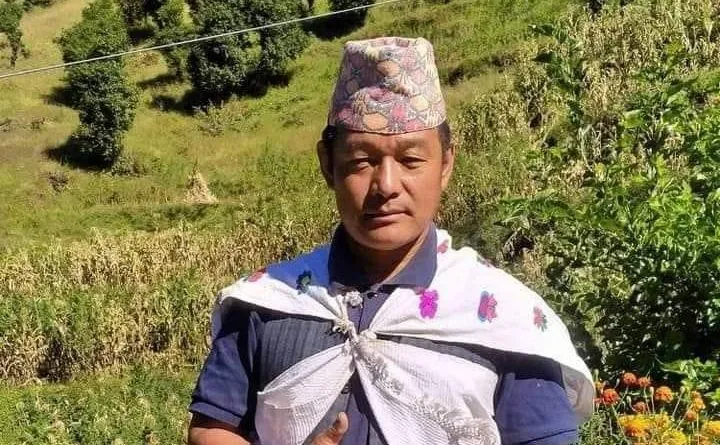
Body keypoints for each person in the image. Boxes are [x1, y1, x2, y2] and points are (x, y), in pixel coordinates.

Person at [187, 37, 593, 445]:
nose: (386, 185)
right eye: (361, 161)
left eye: (410, 160)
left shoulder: (502, 316)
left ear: (445, 164)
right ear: (328, 165)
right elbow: (212, 430)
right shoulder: (269, 302)